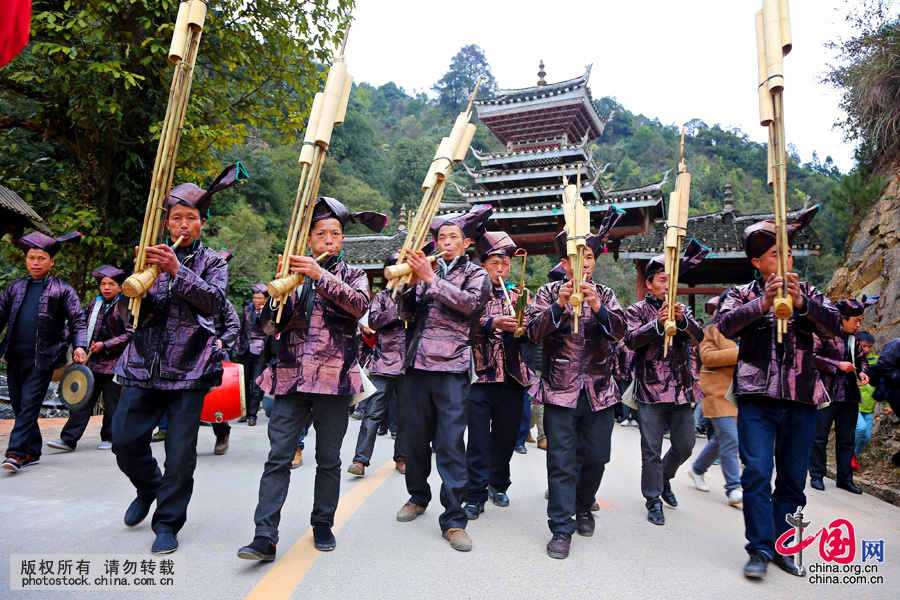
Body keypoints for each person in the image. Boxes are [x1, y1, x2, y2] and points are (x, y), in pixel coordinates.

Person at [238, 196, 385, 560]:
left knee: (329, 458)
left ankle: (322, 522)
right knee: (278, 458)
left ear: (342, 239)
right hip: (289, 376)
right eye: (321, 234)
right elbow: (269, 327)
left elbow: (359, 306)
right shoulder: (292, 276)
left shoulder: (353, 275)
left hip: (334, 379)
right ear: (309, 240)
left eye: (335, 233)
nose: (329, 239)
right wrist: (277, 297)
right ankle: (264, 535)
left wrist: (321, 276)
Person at [112, 164, 243, 554]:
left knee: (181, 454)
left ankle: (168, 522)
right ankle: (148, 487)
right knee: (124, 441)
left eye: (192, 218)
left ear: (203, 223)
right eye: (176, 217)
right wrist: (133, 291)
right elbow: (130, 316)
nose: (184, 224)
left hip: (189, 369)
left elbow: (215, 305)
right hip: (140, 366)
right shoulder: (147, 257)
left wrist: (176, 270)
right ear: (167, 223)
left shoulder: (213, 262)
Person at [716, 206, 842, 579]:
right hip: (757, 397)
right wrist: (765, 304)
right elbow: (724, 326)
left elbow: (834, 327)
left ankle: (782, 546)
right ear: (757, 262)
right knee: (756, 471)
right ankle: (758, 548)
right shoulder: (741, 293)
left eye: (787, 252)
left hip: (801, 397)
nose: (784, 258)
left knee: (792, 478)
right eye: (774, 254)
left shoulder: (811, 293)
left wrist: (801, 303)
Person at [526, 208, 626, 560]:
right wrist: (560, 305)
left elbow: (620, 332)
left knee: (597, 457)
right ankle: (561, 527)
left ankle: (584, 505)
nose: (582, 264)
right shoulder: (547, 293)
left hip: (599, 390)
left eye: (588, 257)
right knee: (561, 459)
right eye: (575, 258)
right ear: (564, 264)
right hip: (559, 389)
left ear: (593, 262)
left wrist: (598, 307)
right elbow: (532, 332)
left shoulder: (608, 294)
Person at [394, 205, 492, 553]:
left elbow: (468, 305)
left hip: (452, 367)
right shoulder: (426, 271)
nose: (446, 243)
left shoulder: (478, 275)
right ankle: (417, 497)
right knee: (416, 440)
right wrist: (407, 284)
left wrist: (431, 280)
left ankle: (453, 520)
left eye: (453, 238)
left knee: (450, 444)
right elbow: (405, 314)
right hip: (419, 364)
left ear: (465, 244)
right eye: (441, 237)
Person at [624, 239, 707, 527]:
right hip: (649, 388)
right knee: (651, 449)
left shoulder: (683, 309)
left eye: (671, 280)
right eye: (662, 280)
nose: (667, 284)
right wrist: (657, 325)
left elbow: (699, 339)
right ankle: (653, 499)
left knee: (685, 445)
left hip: (682, 388)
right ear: (649, 284)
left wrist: (683, 322)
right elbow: (631, 341)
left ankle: (665, 478)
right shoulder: (637, 311)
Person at [463, 231, 535, 520]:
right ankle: (475, 492)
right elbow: (463, 325)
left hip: (513, 377)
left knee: (506, 439)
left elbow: (533, 329)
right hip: (480, 377)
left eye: (505, 264)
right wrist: (492, 321)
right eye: (494, 263)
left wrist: (522, 327)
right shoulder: (473, 293)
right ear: (483, 266)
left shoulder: (521, 295)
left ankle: (498, 483)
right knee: (478, 440)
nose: (500, 269)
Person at [1, 231, 87, 471]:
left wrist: (80, 345)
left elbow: (78, 320)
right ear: (26, 260)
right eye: (31, 258)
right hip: (15, 356)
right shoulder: (14, 288)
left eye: (41, 258)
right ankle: (32, 451)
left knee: (29, 404)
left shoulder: (63, 290)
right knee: (20, 405)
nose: (36, 262)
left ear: (52, 262)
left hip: (44, 358)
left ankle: (15, 454)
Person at [347, 249, 418, 477]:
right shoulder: (381, 297)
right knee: (372, 414)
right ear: (390, 274)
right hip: (383, 365)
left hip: (409, 365)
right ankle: (360, 460)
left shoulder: (417, 295)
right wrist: (399, 309)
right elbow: (374, 322)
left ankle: (402, 458)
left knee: (407, 416)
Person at [47, 265, 133, 452]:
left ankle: (109, 438)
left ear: (120, 287)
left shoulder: (125, 306)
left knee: (112, 403)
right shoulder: (93, 305)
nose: (106, 288)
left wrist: (106, 344)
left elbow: (130, 333)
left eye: (111, 284)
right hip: (91, 363)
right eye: (103, 284)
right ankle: (68, 439)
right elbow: (76, 324)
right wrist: (69, 343)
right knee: (82, 401)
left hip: (115, 364)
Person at [808, 295, 876, 494]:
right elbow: (812, 357)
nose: (858, 325)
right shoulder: (823, 332)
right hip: (826, 391)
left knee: (847, 439)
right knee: (820, 436)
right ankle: (817, 475)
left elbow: (863, 361)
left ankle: (845, 479)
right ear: (843, 318)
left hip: (849, 394)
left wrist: (864, 372)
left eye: (860, 321)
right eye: (855, 321)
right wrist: (837, 364)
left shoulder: (854, 339)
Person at [688, 292, 743, 505]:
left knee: (722, 438)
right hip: (717, 392)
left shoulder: (746, 327)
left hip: (740, 393)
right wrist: (740, 352)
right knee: (730, 437)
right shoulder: (712, 329)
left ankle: (697, 469)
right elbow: (708, 356)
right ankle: (733, 488)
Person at [210, 248, 241, 456]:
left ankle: (222, 432)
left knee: (215, 398)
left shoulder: (222, 303)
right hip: (186, 355)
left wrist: (221, 342)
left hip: (215, 354)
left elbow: (234, 326)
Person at [235, 283, 270, 427]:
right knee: (244, 384)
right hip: (245, 349)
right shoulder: (246, 310)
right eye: (255, 298)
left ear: (265, 299)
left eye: (260, 298)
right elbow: (240, 328)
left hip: (260, 351)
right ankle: (244, 412)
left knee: (255, 385)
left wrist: (263, 314)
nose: (256, 301)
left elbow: (269, 330)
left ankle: (252, 415)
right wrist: (237, 346)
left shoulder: (269, 312)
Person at [855, 331, 890, 465]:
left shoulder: (877, 361)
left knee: (866, 437)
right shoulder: (852, 360)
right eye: (864, 346)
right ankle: (848, 455)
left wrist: (887, 403)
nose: (867, 349)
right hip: (855, 404)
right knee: (860, 428)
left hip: (869, 407)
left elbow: (883, 384)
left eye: (870, 346)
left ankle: (854, 455)